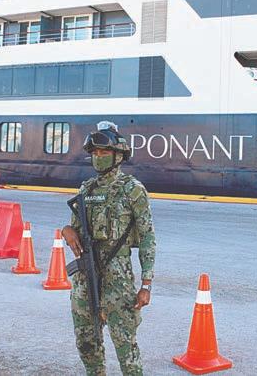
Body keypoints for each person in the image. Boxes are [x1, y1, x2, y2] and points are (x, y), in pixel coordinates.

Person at [62, 121, 156, 376]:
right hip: (86, 275)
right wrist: (66, 231)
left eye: (104, 152)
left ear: (118, 155)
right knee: (86, 342)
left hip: (118, 278)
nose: (98, 157)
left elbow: (147, 236)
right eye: (95, 153)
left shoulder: (132, 189)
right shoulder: (86, 189)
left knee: (125, 345)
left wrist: (146, 284)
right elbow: (75, 227)